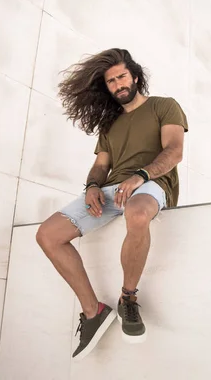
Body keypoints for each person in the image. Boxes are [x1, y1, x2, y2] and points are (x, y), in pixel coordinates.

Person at [36, 48, 188, 360]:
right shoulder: (110, 125)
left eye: (121, 76)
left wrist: (140, 176)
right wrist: (92, 185)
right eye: (111, 81)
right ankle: (93, 313)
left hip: (151, 184)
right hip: (109, 192)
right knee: (47, 235)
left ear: (134, 76)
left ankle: (128, 299)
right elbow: (101, 165)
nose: (118, 84)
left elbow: (174, 151)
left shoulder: (165, 106)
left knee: (138, 212)